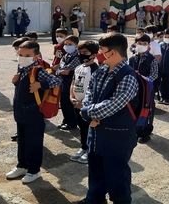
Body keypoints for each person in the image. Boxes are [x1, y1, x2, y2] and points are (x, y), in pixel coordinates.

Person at [78, 33, 139, 204]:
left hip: (117, 137)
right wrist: (88, 110)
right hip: (96, 133)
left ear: (112, 52)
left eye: (102, 50)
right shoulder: (102, 70)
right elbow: (90, 93)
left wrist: (88, 113)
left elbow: (114, 104)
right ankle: (94, 200)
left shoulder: (128, 76)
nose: (99, 54)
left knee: (117, 176)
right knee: (95, 172)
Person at [6, 40, 61, 184]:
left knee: (34, 143)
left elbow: (57, 81)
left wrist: (40, 84)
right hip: (20, 112)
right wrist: (15, 81)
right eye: (20, 54)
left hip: (33, 112)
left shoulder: (38, 70)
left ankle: (34, 170)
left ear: (36, 56)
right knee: (22, 141)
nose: (22, 57)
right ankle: (22, 165)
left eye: (27, 55)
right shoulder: (21, 67)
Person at [70, 40, 100, 165]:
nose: (82, 54)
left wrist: (83, 102)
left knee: (90, 129)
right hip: (76, 103)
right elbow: (73, 83)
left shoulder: (96, 70)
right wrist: (71, 97)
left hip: (87, 105)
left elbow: (94, 89)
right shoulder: (78, 67)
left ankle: (90, 150)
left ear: (93, 54)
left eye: (85, 52)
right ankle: (83, 147)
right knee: (81, 127)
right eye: (80, 52)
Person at [128, 34, 159, 143]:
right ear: (135, 44)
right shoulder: (131, 58)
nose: (141, 45)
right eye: (139, 43)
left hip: (147, 90)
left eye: (144, 44)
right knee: (135, 108)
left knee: (147, 109)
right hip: (134, 89)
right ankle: (136, 128)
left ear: (148, 45)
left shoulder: (152, 59)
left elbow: (154, 75)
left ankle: (146, 132)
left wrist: (143, 79)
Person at [57, 35, 81, 130]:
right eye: (66, 44)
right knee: (63, 103)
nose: (67, 46)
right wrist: (60, 70)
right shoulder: (66, 55)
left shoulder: (78, 56)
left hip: (72, 83)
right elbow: (61, 68)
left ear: (76, 45)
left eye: (70, 44)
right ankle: (66, 120)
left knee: (69, 104)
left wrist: (61, 70)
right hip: (63, 82)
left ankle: (72, 123)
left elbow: (66, 70)